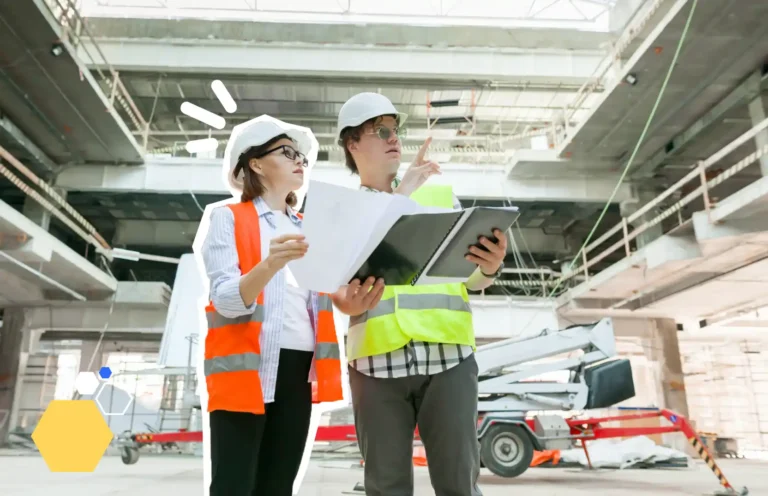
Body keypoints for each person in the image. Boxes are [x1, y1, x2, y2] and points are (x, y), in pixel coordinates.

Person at [330, 93, 508, 496]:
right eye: (381, 131)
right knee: (386, 487)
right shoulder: (341, 211)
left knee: (458, 485)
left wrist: (491, 265)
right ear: (351, 144)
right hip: (375, 366)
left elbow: (472, 280)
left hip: (449, 360)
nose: (394, 138)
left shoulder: (440, 199)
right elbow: (333, 288)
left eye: (396, 130)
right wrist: (344, 302)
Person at [199, 116, 343, 496]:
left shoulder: (310, 227)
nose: (299, 161)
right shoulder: (227, 218)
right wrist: (269, 265)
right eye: (286, 152)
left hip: (298, 369)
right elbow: (227, 300)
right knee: (234, 485)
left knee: (277, 486)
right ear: (256, 164)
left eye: (301, 156)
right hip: (246, 367)